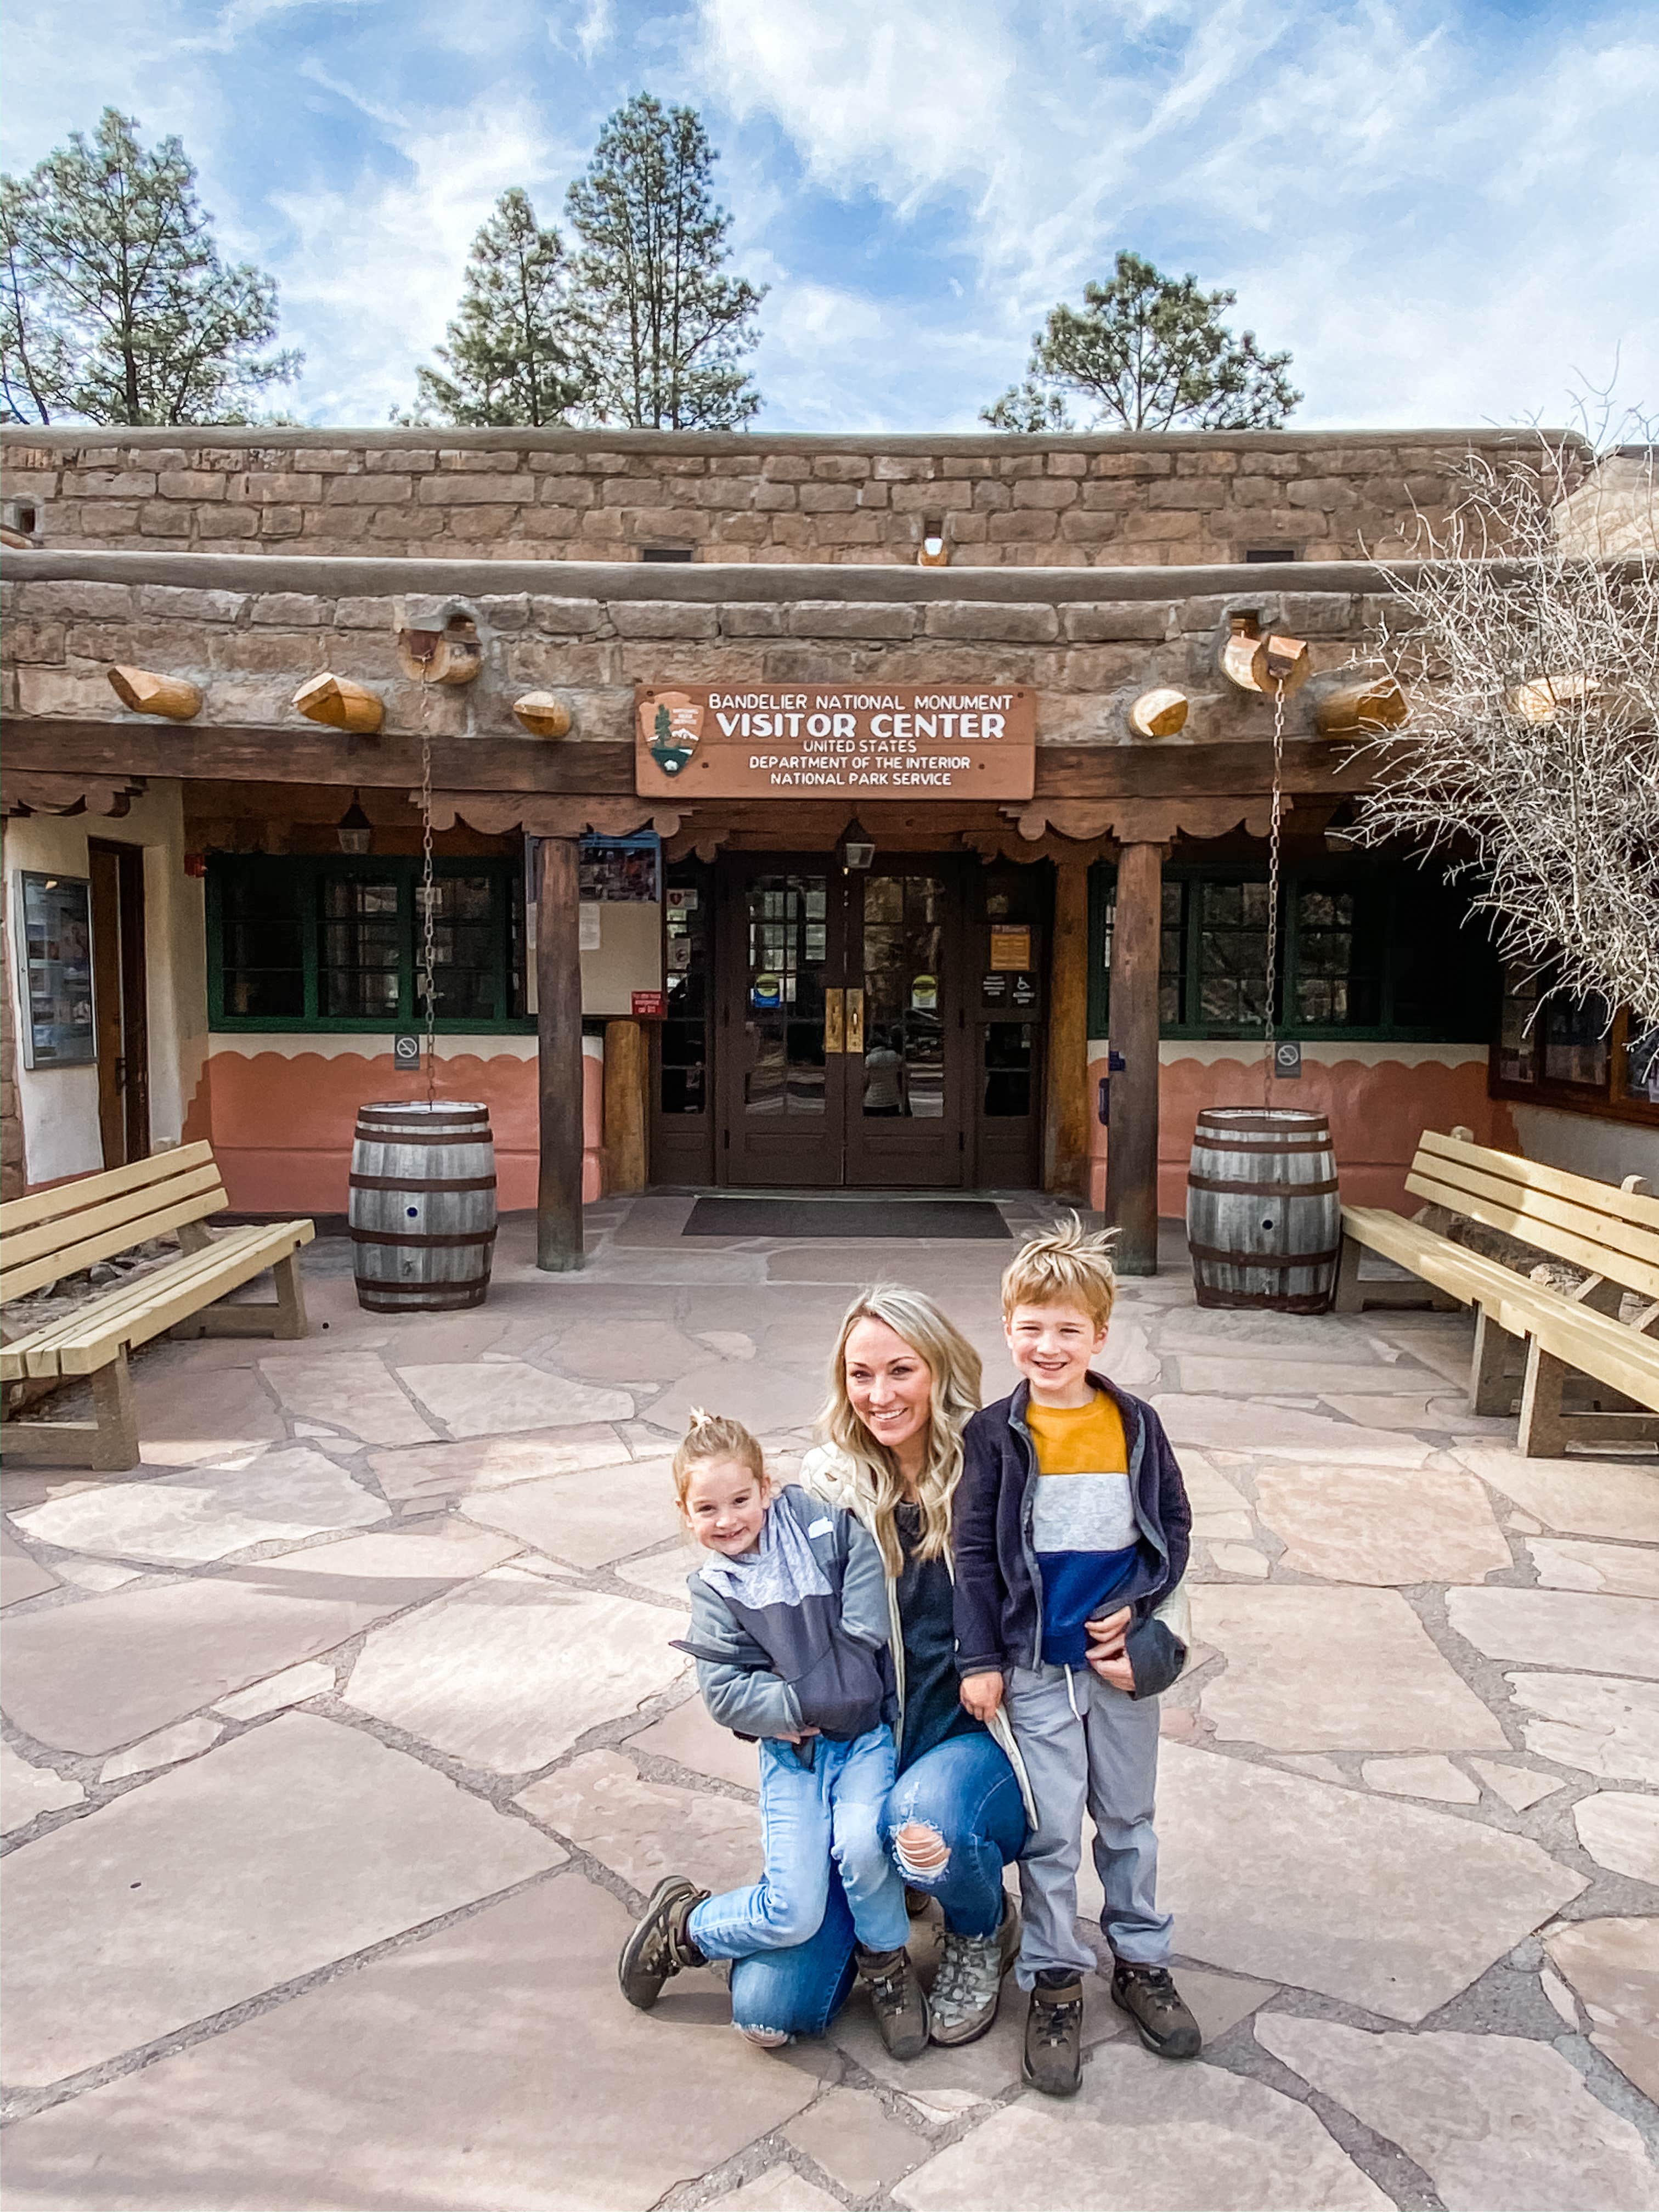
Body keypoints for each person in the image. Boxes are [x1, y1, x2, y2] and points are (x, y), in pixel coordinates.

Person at [726, 1288, 1035, 2051]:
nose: (880, 1395)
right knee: (771, 2008)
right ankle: (705, 1919)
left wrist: (1148, 1625)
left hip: (972, 1738)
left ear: (940, 1369)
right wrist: (774, 1708)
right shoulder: (825, 1486)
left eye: (902, 1371)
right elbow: (763, 1619)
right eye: (861, 1375)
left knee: (924, 1826)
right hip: (858, 1754)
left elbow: (1106, 1534)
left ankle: (979, 1928)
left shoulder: (995, 1461)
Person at [953, 1215, 1199, 2098]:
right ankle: (1055, 1977)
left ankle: (1138, 1958)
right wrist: (979, 1657)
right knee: (1053, 1828)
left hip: (1118, 1670)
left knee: (1128, 1820)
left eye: (1068, 1330)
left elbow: (1169, 1532)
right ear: (1008, 1327)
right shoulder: (994, 1435)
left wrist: (1142, 1619)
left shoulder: (1135, 1424)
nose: (1048, 1345)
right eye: (1032, 1327)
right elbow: (974, 1553)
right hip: (1035, 1668)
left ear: (1101, 1334)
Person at [618, 1409, 930, 2059]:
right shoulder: (715, 1592)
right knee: (792, 1909)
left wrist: (819, 1679)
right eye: (707, 1509)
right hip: (794, 1756)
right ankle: (688, 1928)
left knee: (862, 1845)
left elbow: (865, 1614)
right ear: (685, 1513)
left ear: (766, 1487)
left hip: (865, 1740)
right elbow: (727, 1694)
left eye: (740, 1499)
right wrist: (810, 1698)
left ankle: (886, 1964)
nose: (727, 1520)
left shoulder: (824, 1529)